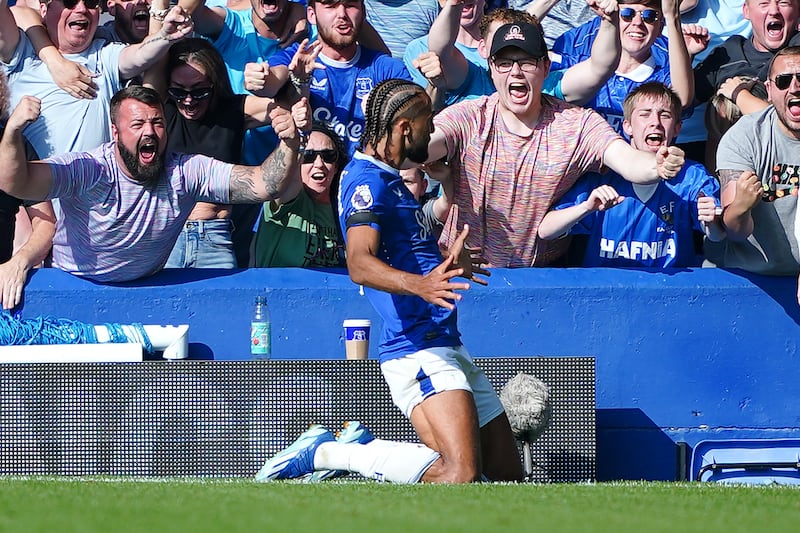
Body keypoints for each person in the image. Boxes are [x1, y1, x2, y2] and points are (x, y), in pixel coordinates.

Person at [256, 78, 523, 484]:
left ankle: (352, 449)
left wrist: (451, 265)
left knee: (504, 478)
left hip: (444, 341)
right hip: (416, 348)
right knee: (460, 474)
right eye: (427, 124)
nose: (431, 133)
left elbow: (407, 255)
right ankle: (337, 452)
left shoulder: (392, 179)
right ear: (403, 128)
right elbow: (359, 264)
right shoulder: (366, 182)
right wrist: (422, 286)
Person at [424, 19, 685, 268]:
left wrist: (657, 165)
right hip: (462, 271)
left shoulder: (577, 125)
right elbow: (425, 144)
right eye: (504, 63)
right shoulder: (468, 116)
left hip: (540, 282)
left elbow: (627, 161)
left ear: (546, 68)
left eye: (526, 62)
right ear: (491, 69)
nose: (515, 71)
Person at [0, 85, 303, 282]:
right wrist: (12, 131)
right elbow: (17, 183)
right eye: (137, 124)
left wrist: (289, 143)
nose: (150, 132)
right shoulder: (88, 169)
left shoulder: (185, 172)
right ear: (115, 132)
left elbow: (264, 184)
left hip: (148, 288)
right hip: (74, 285)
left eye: (157, 122)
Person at [538, 82, 724, 267]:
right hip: (608, 290)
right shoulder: (602, 174)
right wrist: (586, 208)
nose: (655, 123)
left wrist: (711, 221)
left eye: (665, 115)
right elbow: (546, 231)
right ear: (627, 126)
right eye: (645, 114)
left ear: (677, 128)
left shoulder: (691, 176)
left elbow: (717, 235)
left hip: (668, 290)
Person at [143, 37, 286, 269]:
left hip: (215, 236)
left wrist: (290, 77)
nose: (188, 100)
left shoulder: (231, 110)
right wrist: (167, 30)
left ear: (214, 84)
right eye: (179, 91)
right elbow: (146, 85)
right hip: (168, 236)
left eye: (199, 91)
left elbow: (287, 107)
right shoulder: (161, 113)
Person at [0, 1, 192, 157]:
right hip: (40, 199)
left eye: (91, 1)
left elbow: (139, 54)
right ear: (44, 9)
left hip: (100, 197)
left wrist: (164, 36)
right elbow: (13, 11)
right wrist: (53, 58)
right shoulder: (21, 51)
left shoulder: (103, 52)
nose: (82, 8)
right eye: (70, 1)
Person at [244, 0, 413, 156]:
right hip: (306, 179)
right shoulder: (295, 57)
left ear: (363, 12)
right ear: (311, 14)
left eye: (350, 5)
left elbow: (415, 119)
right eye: (330, 5)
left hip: (364, 182)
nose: (341, 14)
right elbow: (273, 80)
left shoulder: (387, 69)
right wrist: (260, 78)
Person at [408, 2, 624, 107]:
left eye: (521, 54)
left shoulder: (543, 83)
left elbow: (600, 68)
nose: (515, 69)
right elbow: (440, 51)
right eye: (502, 55)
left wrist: (609, 23)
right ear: (483, 49)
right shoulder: (473, 76)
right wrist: (454, 5)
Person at [706, 46, 800, 278]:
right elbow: (736, 231)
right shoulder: (744, 137)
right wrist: (741, 206)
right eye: (784, 81)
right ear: (769, 90)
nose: (795, 87)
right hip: (750, 278)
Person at [550, 0, 695, 135]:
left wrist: (672, 17)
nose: (637, 22)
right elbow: (529, 57)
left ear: (660, 28)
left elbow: (681, 99)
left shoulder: (663, 80)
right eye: (627, 14)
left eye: (649, 16)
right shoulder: (580, 66)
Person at [694, 0, 800, 169]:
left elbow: (786, 122)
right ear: (746, 11)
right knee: (722, 109)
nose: (773, 10)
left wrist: (739, 95)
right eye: (763, 3)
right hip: (728, 171)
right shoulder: (729, 52)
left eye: (784, 3)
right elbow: (680, 102)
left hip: (783, 171)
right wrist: (687, 55)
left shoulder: (796, 56)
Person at [252, 121, 347, 267]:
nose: (319, 164)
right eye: (308, 156)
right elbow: (283, 170)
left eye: (328, 155)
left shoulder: (344, 209)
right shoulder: (285, 196)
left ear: (336, 166)